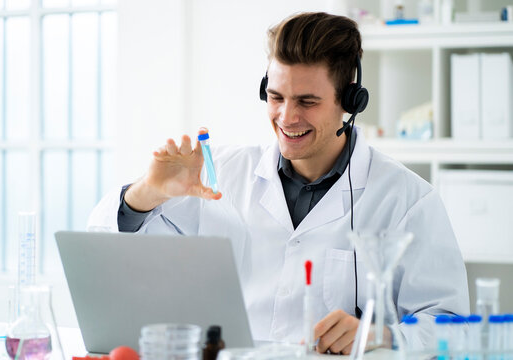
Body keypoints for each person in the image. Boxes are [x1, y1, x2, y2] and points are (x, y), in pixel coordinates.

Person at [88, 12, 469, 354]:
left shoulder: (407, 199)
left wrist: (382, 336)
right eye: (275, 96)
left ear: (350, 101)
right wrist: (147, 194)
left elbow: (452, 328)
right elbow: (108, 261)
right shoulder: (216, 173)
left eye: (307, 101)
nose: (287, 117)